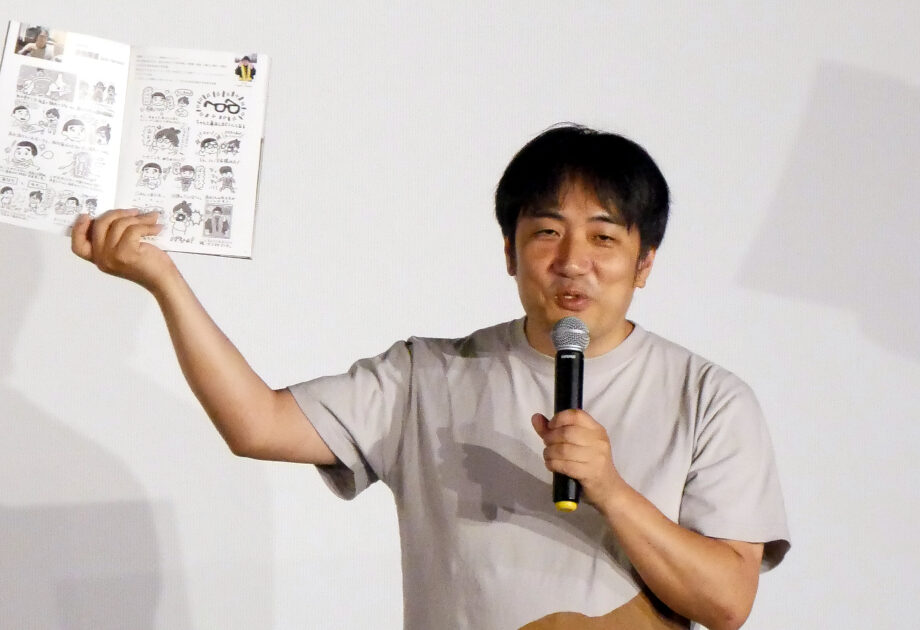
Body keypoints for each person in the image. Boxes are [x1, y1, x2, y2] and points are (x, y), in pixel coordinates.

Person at [71, 124, 789, 630]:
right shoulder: (427, 376)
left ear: (644, 262)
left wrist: (609, 488)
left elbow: (727, 603)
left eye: (603, 237)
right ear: (509, 252)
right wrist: (163, 282)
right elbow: (256, 423)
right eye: (546, 232)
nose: (573, 261)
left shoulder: (709, 399)